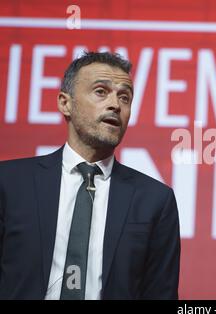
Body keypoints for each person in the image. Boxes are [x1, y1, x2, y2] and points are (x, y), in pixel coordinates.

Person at [0, 52, 180, 299]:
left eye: (125, 97)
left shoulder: (155, 200)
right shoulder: (9, 183)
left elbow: (161, 293)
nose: (115, 105)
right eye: (100, 92)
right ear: (66, 103)